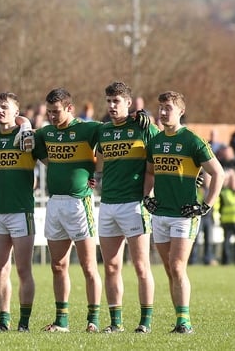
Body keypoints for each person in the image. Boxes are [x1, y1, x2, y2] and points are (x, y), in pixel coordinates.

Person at [143, 91, 224, 334]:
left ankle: (185, 323)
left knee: (177, 266)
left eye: (168, 107)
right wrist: (147, 197)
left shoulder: (192, 140)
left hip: (184, 214)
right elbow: (149, 172)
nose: (163, 112)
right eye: (161, 107)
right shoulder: (155, 142)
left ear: (181, 112)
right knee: (169, 269)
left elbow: (218, 173)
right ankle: (180, 318)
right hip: (160, 214)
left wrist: (206, 205)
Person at [32, 87, 102, 333]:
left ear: (69, 108)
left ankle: (93, 320)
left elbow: (113, 136)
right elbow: (32, 140)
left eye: (56, 111)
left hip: (79, 203)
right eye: (49, 111)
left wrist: (96, 173)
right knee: (58, 265)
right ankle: (62, 321)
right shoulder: (47, 133)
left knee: (88, 266)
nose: (52, 116)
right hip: (55, 203)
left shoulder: (88, 129)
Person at [95, 82, 158, 333]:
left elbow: (164, 150)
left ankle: (145, 322)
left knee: (141, 266)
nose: (111, 106)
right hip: (108, 204)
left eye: (116, 101)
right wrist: (94, 176)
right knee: (111, 266)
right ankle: (116, 323)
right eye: (108, 101)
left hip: (134, 204)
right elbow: (98, 162)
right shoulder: (104, 131)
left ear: (129, 103)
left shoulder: (144, 128)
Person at [0, 92, 37, 332]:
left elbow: (50, 162)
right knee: (0, 267)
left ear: (16, 111)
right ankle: (3, 320)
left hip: (21, 212)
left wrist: (26, 123)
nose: (0, 110)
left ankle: (23, 323)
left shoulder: (26, 136)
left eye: (5, 107)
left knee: (24, 269)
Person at [219, 168, 235, 265]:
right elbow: (220, 207)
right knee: (226, 243)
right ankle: (225, 261)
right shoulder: (224, 192)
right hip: (227, 221)